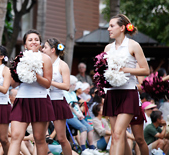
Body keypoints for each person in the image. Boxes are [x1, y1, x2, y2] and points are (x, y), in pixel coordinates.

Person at [102, 14, 149, 155]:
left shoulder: (133, 45)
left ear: (122, 28)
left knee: (118, 133)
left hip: (128, 93)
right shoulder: (108, 48)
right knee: (118, 135)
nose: (108, 29)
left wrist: (125, 70)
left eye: (112, 26)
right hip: (111, 93)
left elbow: (145, 70)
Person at [8, 30, 55, 155]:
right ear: (25, 44)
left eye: (36, 39)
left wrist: (35, 74)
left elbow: (47, 83)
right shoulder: (20, 59)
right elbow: (13, 84)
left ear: (40, 43)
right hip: (22, 100)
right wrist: (15, 71)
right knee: (15, 137)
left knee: (39, 139)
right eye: (30, 40)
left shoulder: (45, 58)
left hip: (40, 100)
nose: (34, 42)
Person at [42, 38, 73, 155]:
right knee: (40, 137)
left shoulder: (62, 65)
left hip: (57, 101)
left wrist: (49, 82)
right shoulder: (42, 63)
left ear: (53, 49)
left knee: (61, 138)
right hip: (44, 100)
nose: (43, 49)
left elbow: (66, 86)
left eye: (45, 47)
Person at [64, 75, 100, 154]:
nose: (75, 86)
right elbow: (70, 105)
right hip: (70, 115)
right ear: (70, 84)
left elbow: (76, 105)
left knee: (90, 128)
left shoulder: (73, 93)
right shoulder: (65, 93)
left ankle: (91, 147)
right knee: (83, 128)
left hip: (77, 115)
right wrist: (78, 114)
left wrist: (80, 114)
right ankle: (83, 149)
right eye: (74, 84)